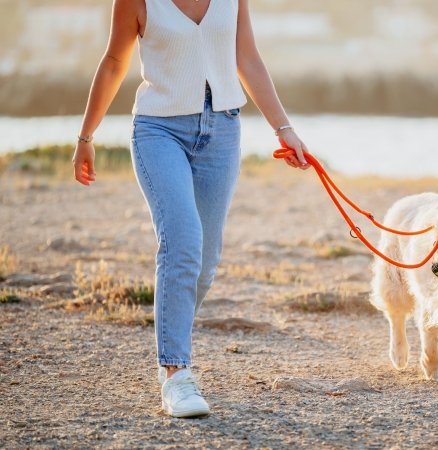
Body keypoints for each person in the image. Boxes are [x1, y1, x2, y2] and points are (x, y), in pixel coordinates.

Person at [72, 0, 309, 418]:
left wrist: (284, 128)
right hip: (159, 130)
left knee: (204, 262)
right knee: (182, 243)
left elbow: (247, 57)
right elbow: (113, 61)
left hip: (222, 131)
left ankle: (172, 337)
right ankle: (176, 375)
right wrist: (86, 137)